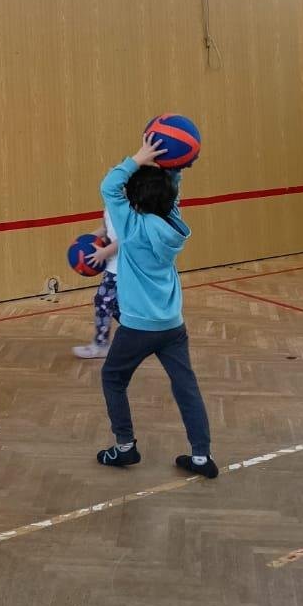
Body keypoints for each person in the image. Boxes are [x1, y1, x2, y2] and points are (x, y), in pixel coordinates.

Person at [95, 132, 217, 479]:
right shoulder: (173, 223)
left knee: (112, 378)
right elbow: (170, 192)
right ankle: (201, 456)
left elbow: (109, 187)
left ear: (133, 200)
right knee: (186, 387)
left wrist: (139, 157)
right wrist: (176, 164)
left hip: (137, 327)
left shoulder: (131, 226)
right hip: (172, 326)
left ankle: (124, 447)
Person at [72, 211, 119, 358]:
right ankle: (141, 331)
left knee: (103, 301)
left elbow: (126, 238)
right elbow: (105, 229)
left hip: (122, 267)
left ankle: (101, 344)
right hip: (113, 266)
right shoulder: (110, 206)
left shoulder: (126, 207)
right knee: (113, 304)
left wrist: (104, 252)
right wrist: (82, 242)